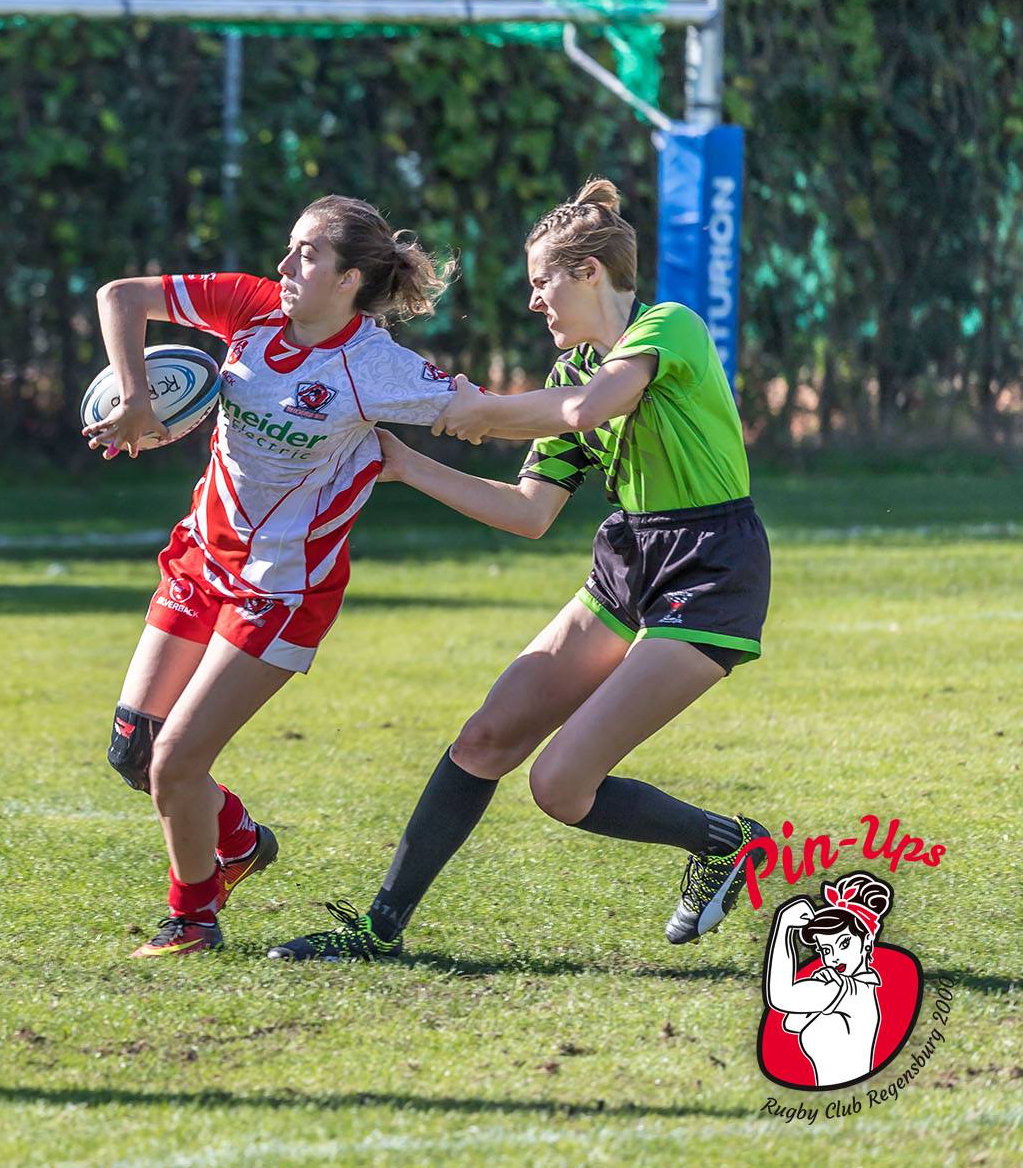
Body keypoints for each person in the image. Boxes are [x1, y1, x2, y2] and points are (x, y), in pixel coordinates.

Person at [269, 178, 770, 963]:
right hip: (630, 557)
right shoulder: (571, 374)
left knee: (560, 785)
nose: (536, 301)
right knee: (485, 737)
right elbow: (530, 511)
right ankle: (378, 930)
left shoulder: (667, 328)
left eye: (542, 282)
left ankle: (728, 842)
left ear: (590, 273)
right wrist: (408, 464)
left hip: (710, 567)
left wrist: (485, 409)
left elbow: (585, 412)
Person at [85, 195, 460, 957]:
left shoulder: (377, 366)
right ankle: (242, 842)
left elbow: (490, 411)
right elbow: (121, 297)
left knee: (177, 761)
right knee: (135, 750)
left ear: (350, 278)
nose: (285, 266)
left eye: (306, 255)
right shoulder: (253, 307)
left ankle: (192, 919)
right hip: (201, 557)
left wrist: (593, 400)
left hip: (282, 589)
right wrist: (135, 400)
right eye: (288, 248)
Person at [766, 873, 892, 1087]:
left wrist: (784, 926)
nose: (834, 957)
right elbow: (790, 1022)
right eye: (826, 949)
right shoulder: (844, 988)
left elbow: (780, 996)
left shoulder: (851, 990)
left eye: (844, 944)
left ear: (867, 941)